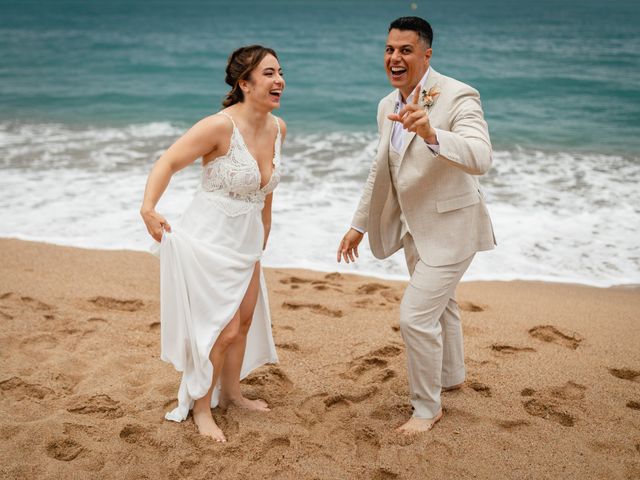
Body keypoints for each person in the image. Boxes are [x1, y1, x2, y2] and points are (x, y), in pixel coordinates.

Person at [337, 17, 495, 434]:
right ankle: (452, 375)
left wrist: (431, 132)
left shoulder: (459, 95)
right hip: (413, 228)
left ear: (426, 55)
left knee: (415, 317)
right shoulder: (386, 105)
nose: (395, 58)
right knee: (443, 307)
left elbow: (481, 156)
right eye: (390, 49)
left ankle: (427, 408)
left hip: (454, 226)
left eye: (406, 50)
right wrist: (359, 224)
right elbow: (381, 167)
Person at [140, 45, 286, 442]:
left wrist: (261, 244)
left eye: (280, 73)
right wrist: (149, 208)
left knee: (244, 320)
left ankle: (231, 393)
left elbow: (265, 196)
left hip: (247, 241)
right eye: (269, 74)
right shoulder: (219, 127)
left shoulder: (278, 128)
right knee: (219, 328)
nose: (279, 81)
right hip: (209, 240)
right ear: (244, 83)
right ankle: (202, 409)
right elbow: (167, 162)